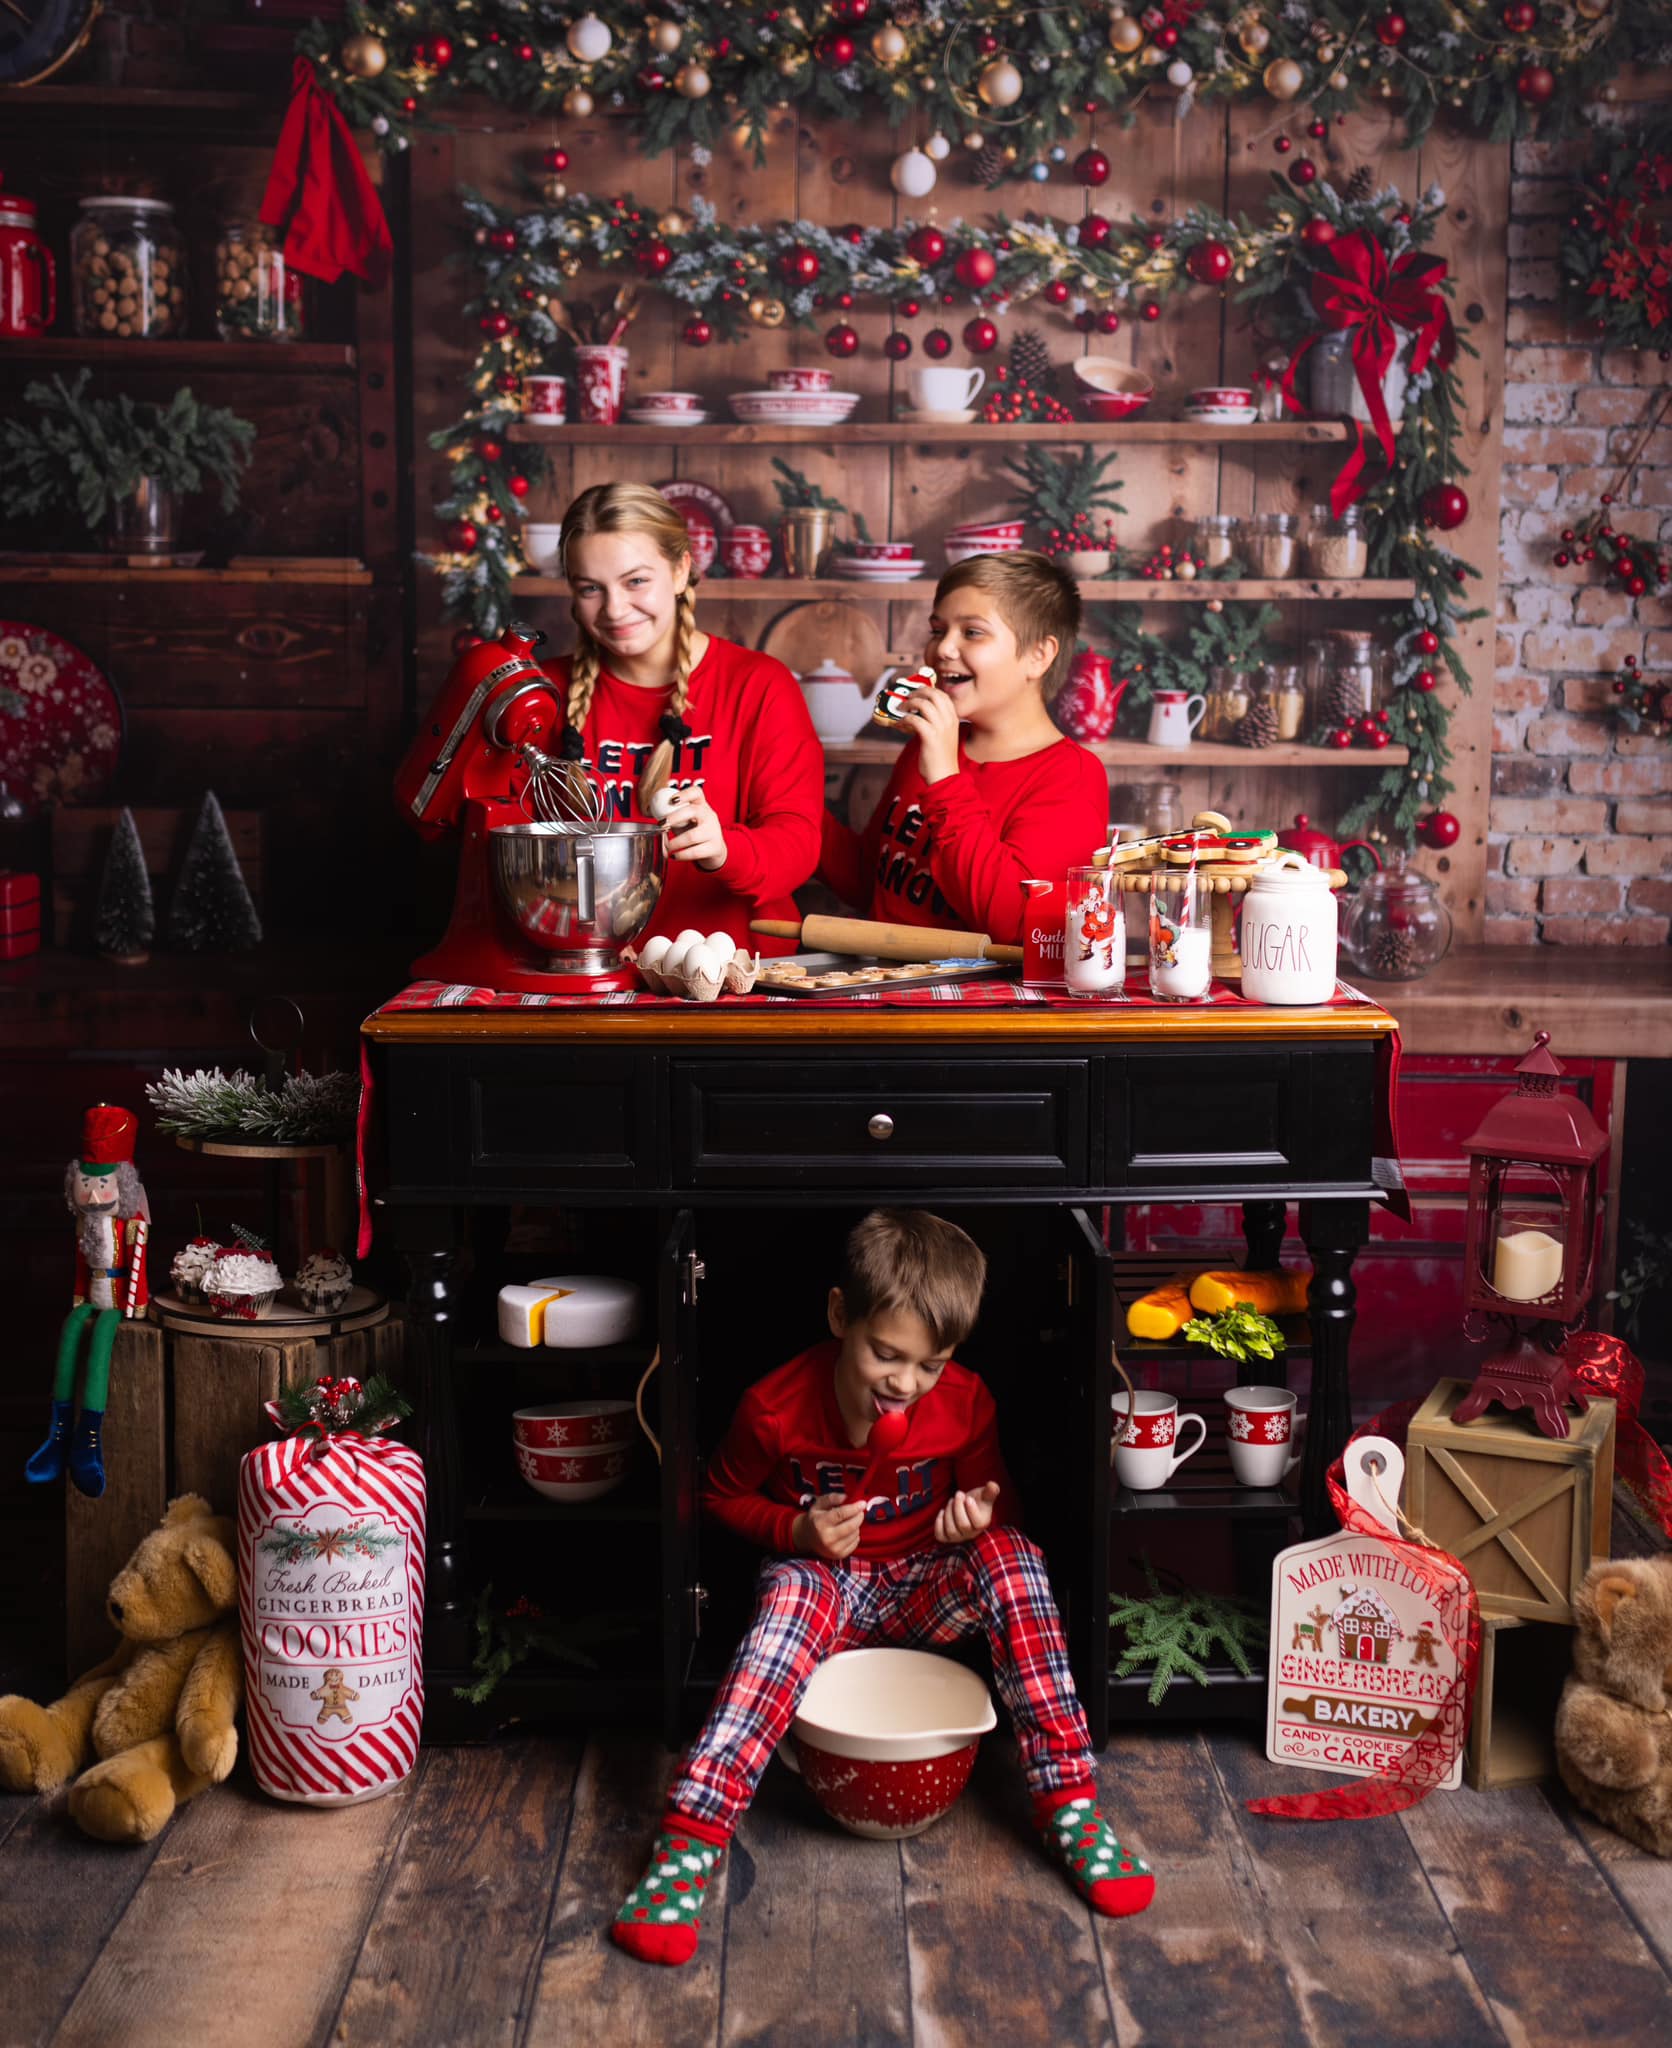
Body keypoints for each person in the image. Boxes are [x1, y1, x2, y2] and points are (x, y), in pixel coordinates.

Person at [611, 1209, 1154, 1968]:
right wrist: (798, 1533)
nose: (904, 1384)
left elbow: (1006, 1517)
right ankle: (689, 1844)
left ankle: (1070, 1804)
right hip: (826, 1584)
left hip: (922, 1588)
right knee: (791, 1599)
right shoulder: (774, 1408)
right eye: (885, 1355)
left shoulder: (965, 1403)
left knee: (1016, 1558)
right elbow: (717, 1498)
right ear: (841, 1315)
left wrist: (975, 1521)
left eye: (929, 1365)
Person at [554, 482, 825, 950]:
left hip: (736, 973)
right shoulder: (542, 693)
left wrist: (724, 850)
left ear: (680, 571)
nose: (615, 609)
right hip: (589, 966)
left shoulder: (758, 685)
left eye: (636, 581)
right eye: (591, 589)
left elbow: (798, 843)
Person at [818, 552, 1109, 945]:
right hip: (879, 988)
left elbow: (1017, 927)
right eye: (938, 630)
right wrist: (787, 802)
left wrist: (943, 779)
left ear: (1038, 656)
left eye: (972, 632)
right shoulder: (933, 742)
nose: (942, 649)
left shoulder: (1070, 777)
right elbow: (866, 882)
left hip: (970, 1003)